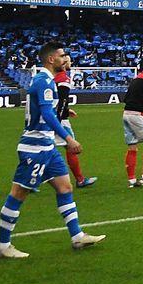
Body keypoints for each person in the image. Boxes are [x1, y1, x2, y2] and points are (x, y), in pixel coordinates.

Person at [0, 41, 105, 259]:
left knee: (65, 187)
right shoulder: (44, 81)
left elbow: (44, 109)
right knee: (18, 194)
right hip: (35, 147)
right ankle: (3, 245)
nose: (66, 59)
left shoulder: (45, 81)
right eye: (63, 56)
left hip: (47, 146)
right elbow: (45, 113)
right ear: (51, 59)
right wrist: (68, 138)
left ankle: (77, 236)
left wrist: (64, 111)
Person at [55, 54, 96, 187]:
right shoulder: (64, 78)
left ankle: (29, 182)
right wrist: (59, 118)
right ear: (65, 62)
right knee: (71, 147)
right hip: (58, 120)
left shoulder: (53, 77)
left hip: (49, 116)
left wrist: (67, 110)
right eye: (70, 61)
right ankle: (80, 180)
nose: (71, 63)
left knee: (42, 148)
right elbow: (61, 101)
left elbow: (55, 101)